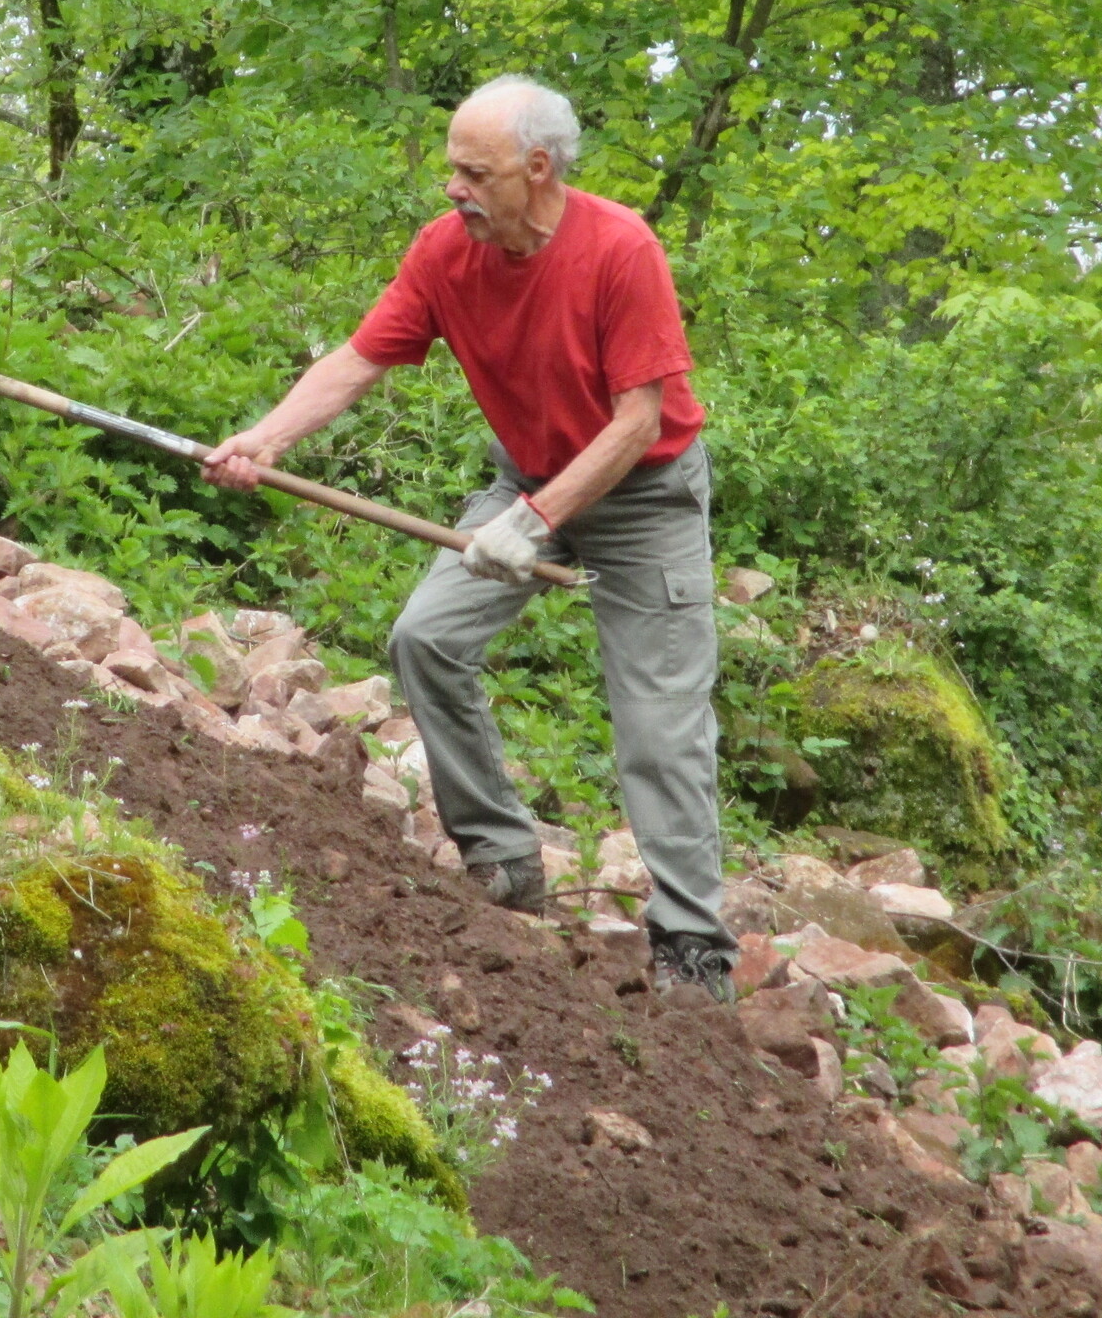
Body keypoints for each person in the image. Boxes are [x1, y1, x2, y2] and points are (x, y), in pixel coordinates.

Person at [202, 74, 736, 1004]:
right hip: (526, 477)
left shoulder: (621, 249)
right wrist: (266, 439)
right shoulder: (446, 252)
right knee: (426, 638)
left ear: (539, 168)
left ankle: (693, 949)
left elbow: (638, 421)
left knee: (659, 727)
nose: (455, 188)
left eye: (475, 173)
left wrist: (536, 523)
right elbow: (360, 358)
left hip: (644, 497)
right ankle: (502, 857)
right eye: (452, 169)